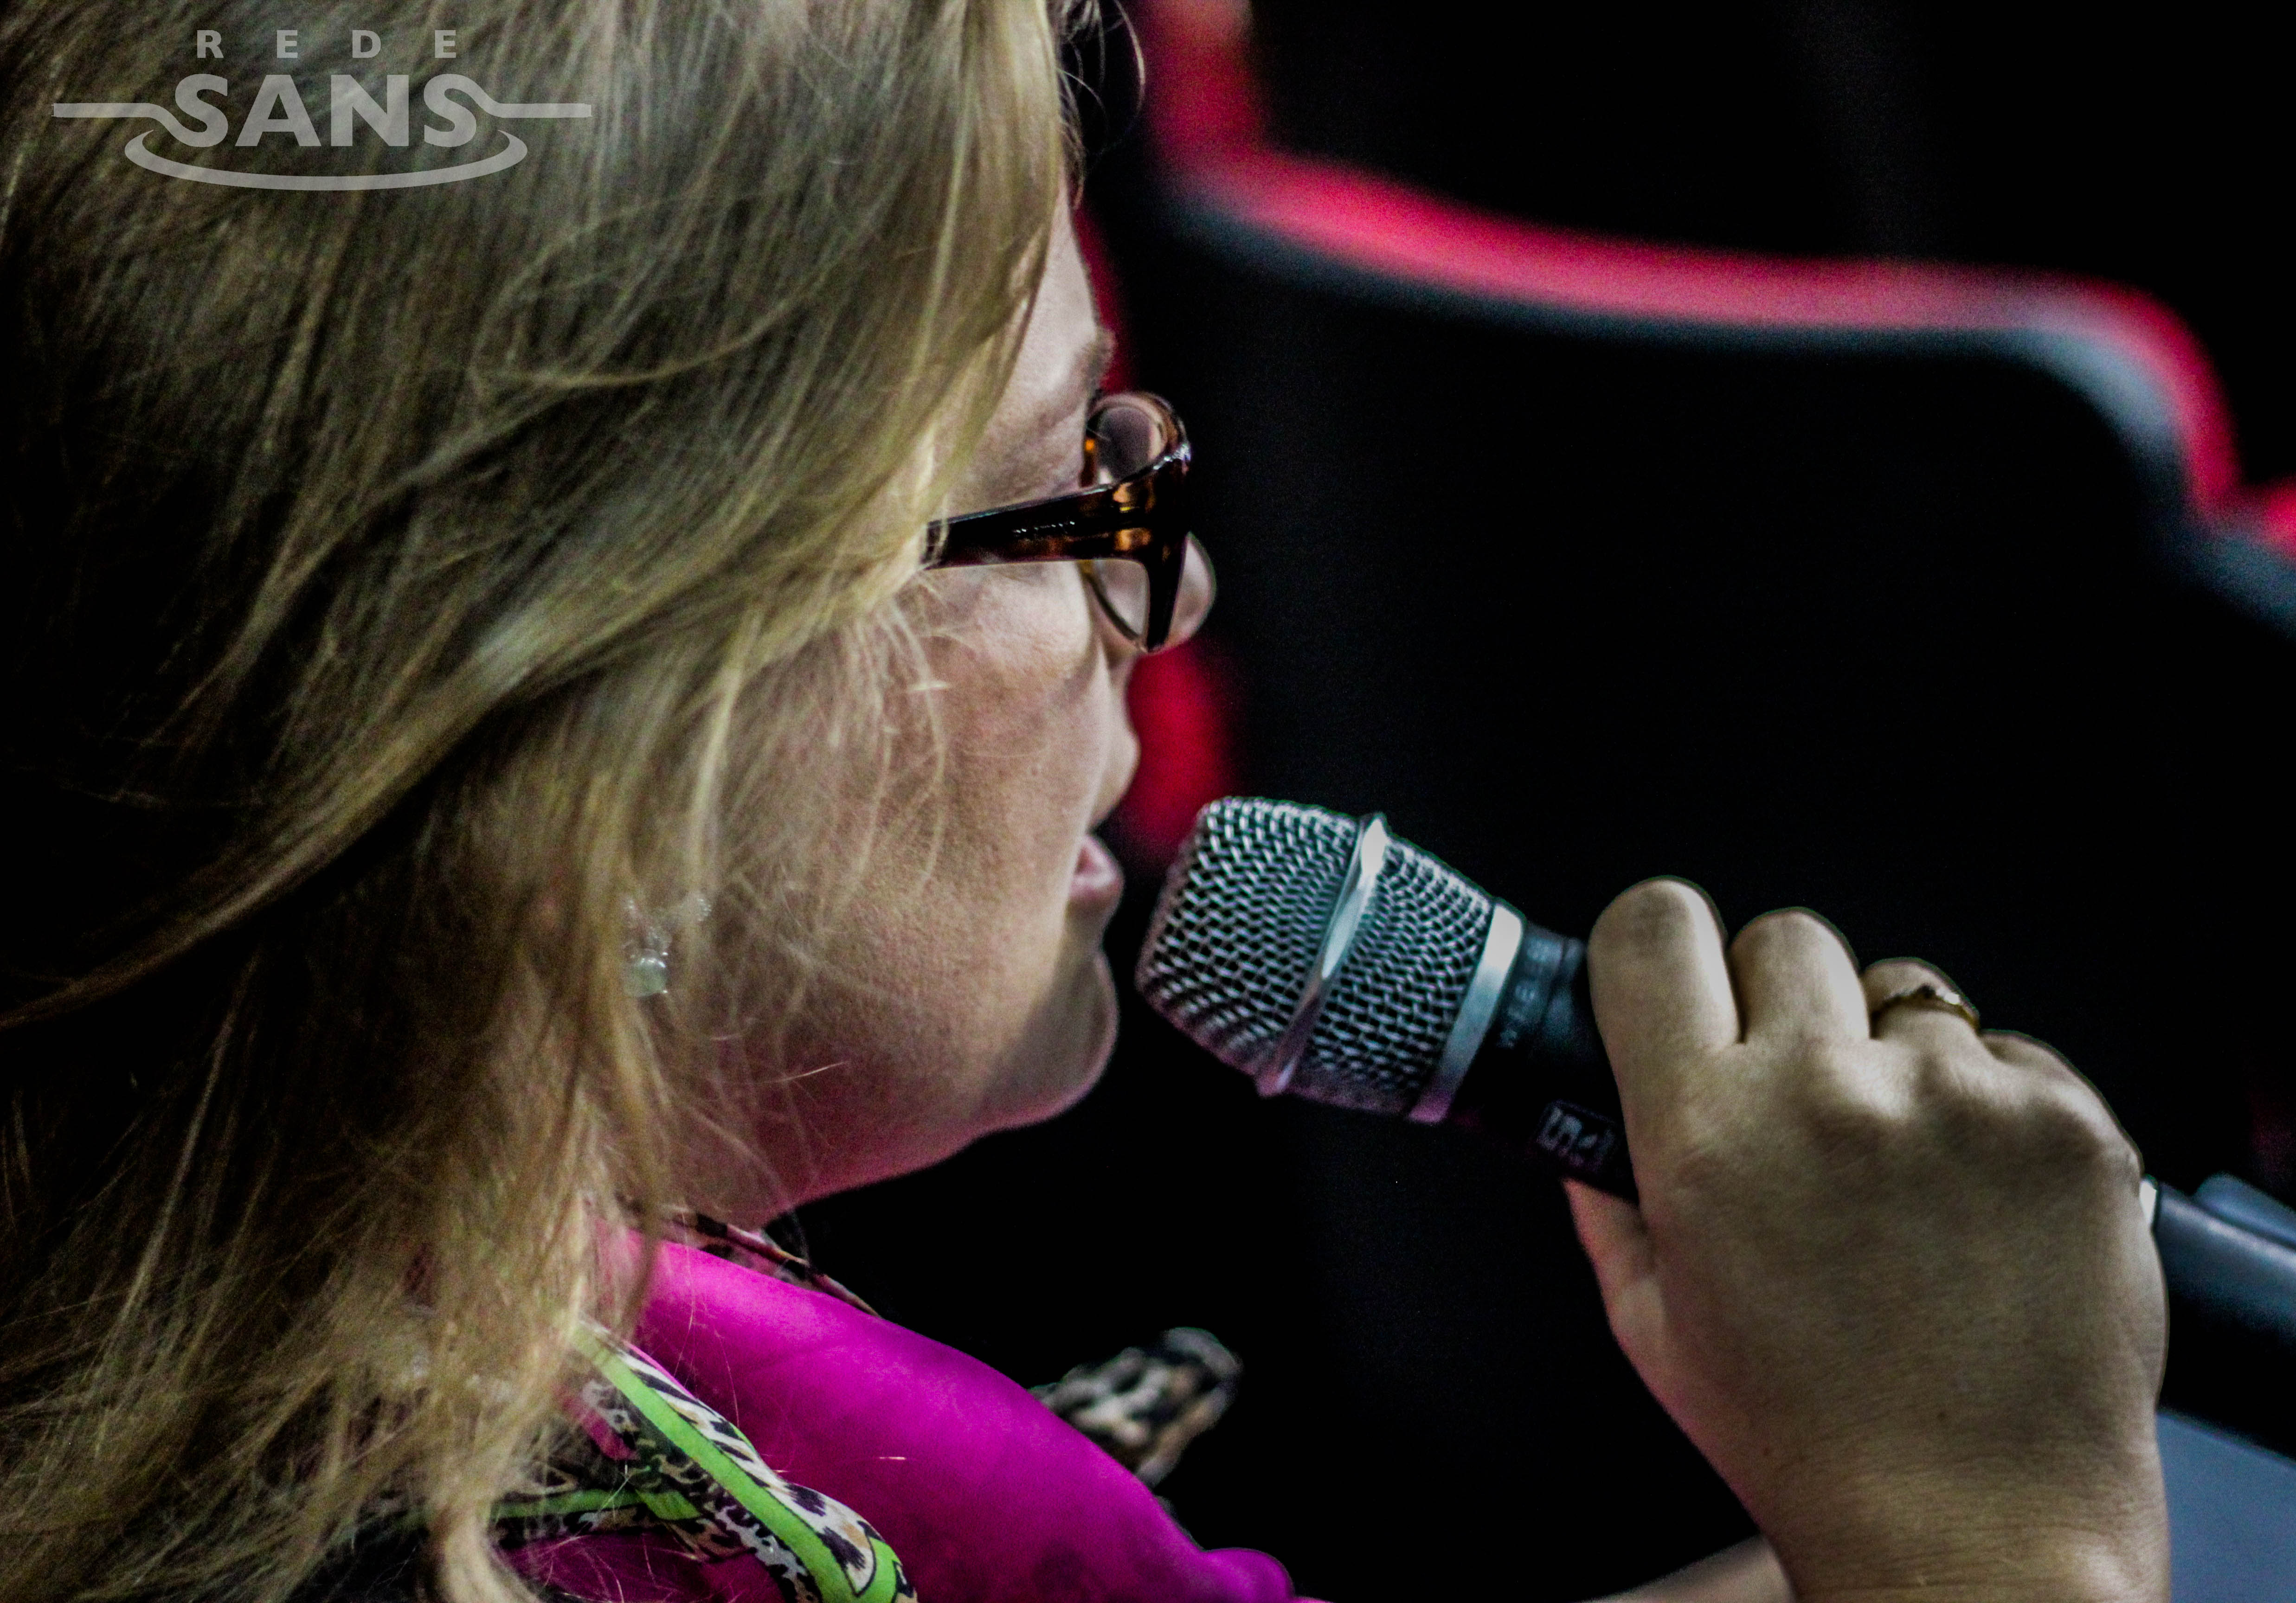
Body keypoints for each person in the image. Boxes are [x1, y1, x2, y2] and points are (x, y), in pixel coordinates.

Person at [0, 3, 2167, 1601]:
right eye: (1066, 495)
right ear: (615, 756)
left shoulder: (355, 1326)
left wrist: (1931, 1492)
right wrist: (2010, 1549)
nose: (1179, 592)